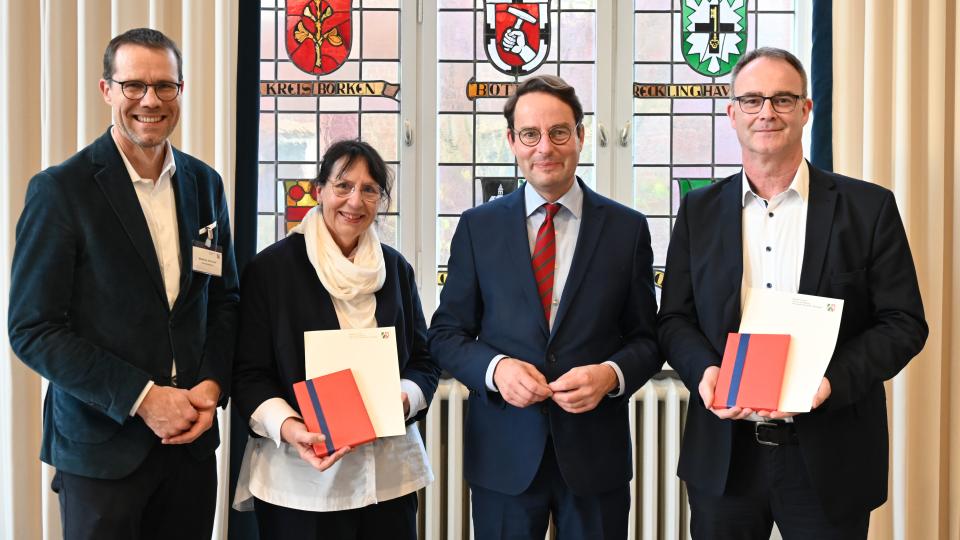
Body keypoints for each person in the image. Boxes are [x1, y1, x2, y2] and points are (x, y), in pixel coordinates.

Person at [658, 47, 928, 539]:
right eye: (753, 99)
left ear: (806, 110)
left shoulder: (868, 208)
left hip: (830, 454)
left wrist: (829, 383)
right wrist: (705, 372)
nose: (767, 112)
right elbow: (674, 318)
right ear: (731, 112)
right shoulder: (697, 212)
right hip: (725, 456)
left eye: (783, 99)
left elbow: (903, 323)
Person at [7, 28, 239, 539]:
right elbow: (32, 328)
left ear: (182, 89)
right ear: (106, 90)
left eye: (164, 86)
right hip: (101, 450)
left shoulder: (206, 185)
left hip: (191, 446)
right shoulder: (60, 191)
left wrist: (211, 387)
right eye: (133, 85)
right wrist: (142, 397)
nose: (150, 101)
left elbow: (224, 300)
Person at [428, 74, 662, 538]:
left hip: (596, 456)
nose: (545, 148)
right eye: (530, 135)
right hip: (503, 457)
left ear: (580, 135)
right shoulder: (477, 228)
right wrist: (496, 370)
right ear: (512, 141)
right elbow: (445, 335)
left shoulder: (627, 229)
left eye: (559, 132)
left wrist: (609, 376)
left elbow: (647, 340)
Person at [231, 140, 439, 539]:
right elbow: (248, 373)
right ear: (319, 190)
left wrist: (404, 397)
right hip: (300, 481)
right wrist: (291, 426)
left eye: (369, 189)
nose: (354, 201)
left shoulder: (396, 269)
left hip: (387, 479)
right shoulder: (271, 271)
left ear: (381, 200)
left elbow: (425, 361)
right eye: (343, 186)